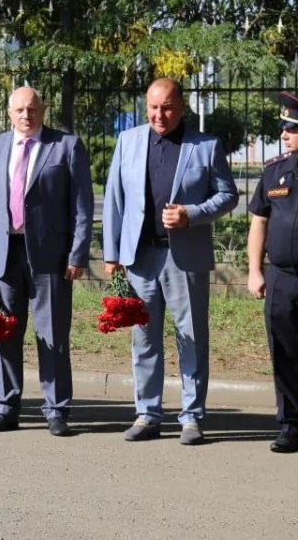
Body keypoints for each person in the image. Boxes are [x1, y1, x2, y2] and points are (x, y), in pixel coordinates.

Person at [103, 77, 237, 445]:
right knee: (143, 339)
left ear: (181, 107)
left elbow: (228, 195)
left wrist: (191, 214)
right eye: (152, 107)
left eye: (166, 107)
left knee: (191, 337)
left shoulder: (206, 146)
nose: (159, 115)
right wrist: (111, 254)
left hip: (184, 259)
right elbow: (115, 198)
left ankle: (192, 417)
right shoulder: (128, 141)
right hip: (140, 256)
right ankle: (147, 413)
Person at [0, 87, 93, 436]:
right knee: (4, 334)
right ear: (9, 113)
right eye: (20, 110)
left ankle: (56, 410)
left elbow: (81, 206)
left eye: (33, 109)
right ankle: (6, 408)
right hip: (3, 255)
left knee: (52, 334)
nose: (27, 116)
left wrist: (78, 253)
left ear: (43, 110)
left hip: (50, 257)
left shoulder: (66, 146)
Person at [245, 91, 298, 454]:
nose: (284, 133)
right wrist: (254, 270)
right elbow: (259, 221)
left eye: (291, 127)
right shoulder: (274, 170)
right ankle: (291, 425)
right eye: (283, 126)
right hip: (281, 277)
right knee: (284, 352)